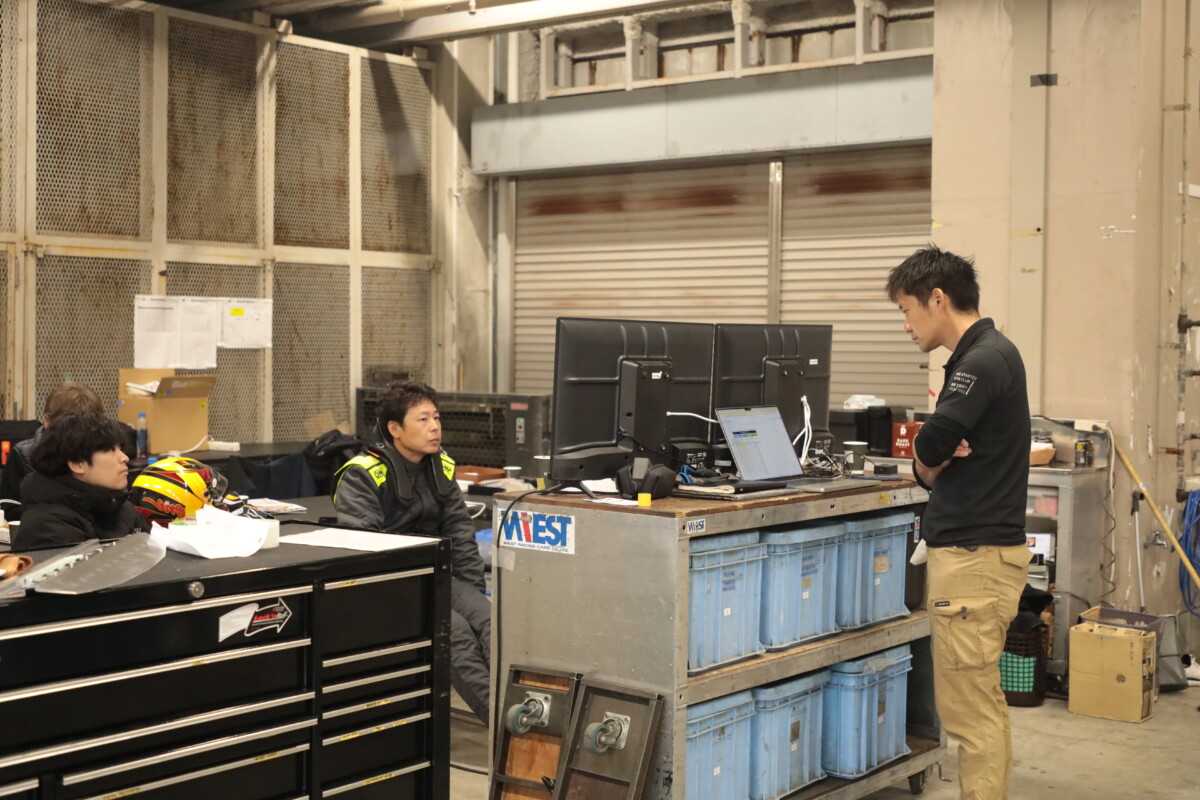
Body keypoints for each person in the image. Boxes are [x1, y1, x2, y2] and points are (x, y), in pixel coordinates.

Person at [887, 245, 1032, 800]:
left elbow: (928, 447)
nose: (906, 325)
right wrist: (930, 462)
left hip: (975, 563)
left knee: (971, 714)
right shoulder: (986, 354)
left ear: (937, 299)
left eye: (907, 310)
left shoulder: (982, 361)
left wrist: (929, 458)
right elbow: (930, 461)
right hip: (977, 559)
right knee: (978, 704)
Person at [332, 381, 491, 724]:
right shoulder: (362, 474)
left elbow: (460, 532)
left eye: (436, 417)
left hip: (439, 578)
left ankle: (525, 717)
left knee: (491, 622)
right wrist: (409, 594)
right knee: (457, 633)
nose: (434, 427)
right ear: (395, 429)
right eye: (422, 419)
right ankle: (505, 725)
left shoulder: (440, 467)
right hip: (392, 586)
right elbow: (366, 549)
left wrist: (473, 591)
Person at [14, 412, 149, 550]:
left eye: (120, 449)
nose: (125, 457)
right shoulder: (48, 527)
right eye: (111, 450)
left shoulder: (120, 506)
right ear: (77, 463)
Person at [0, 382, 105, 521]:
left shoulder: (104, 455)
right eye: (69, 429)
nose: (77, 436)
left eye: (87, 429)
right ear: (47, 421)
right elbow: (8, 510)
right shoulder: (23, 455)